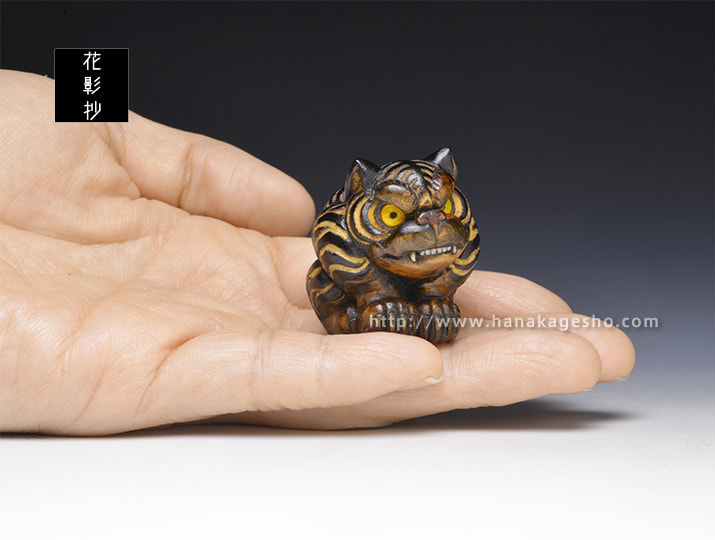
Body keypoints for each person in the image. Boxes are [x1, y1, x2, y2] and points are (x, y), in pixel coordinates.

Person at [0, 70, 634, 435]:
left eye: (438, 213)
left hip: (410, 285)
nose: (423, 227)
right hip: (359, 286)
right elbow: (336, 250)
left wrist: (435, 291)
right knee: (338, 281)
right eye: (396, 216)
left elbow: (453, 253)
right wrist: (372, 294)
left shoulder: (444, 229)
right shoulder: (347, 238)